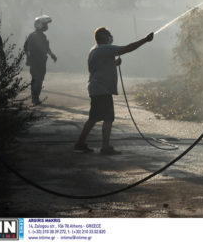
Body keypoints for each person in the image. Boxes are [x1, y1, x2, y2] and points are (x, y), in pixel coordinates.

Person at [74, 26, 153, 155]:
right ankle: (105, 147)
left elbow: (99, 67)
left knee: (93, 118)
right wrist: (145, 40)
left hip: (97, 88)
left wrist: (114, 64)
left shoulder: (95, 49)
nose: (110, 36)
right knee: (108, 118)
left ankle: (80, 143)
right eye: (108, 34)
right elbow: (128, 48)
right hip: (102, 89)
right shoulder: (105, 48)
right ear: (102, 37)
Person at [23, 15, 58, 104]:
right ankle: (35, 98)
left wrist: (51, 55)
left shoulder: (39, 36)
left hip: (40, 61)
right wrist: (51, 55)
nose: (46, 27)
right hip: (37, 62)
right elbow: (27, 48)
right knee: (37, 79)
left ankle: (35, 97)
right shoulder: (36, 36)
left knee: (38, 79)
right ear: (40, 25)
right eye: (45, 24)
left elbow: (45, 48)